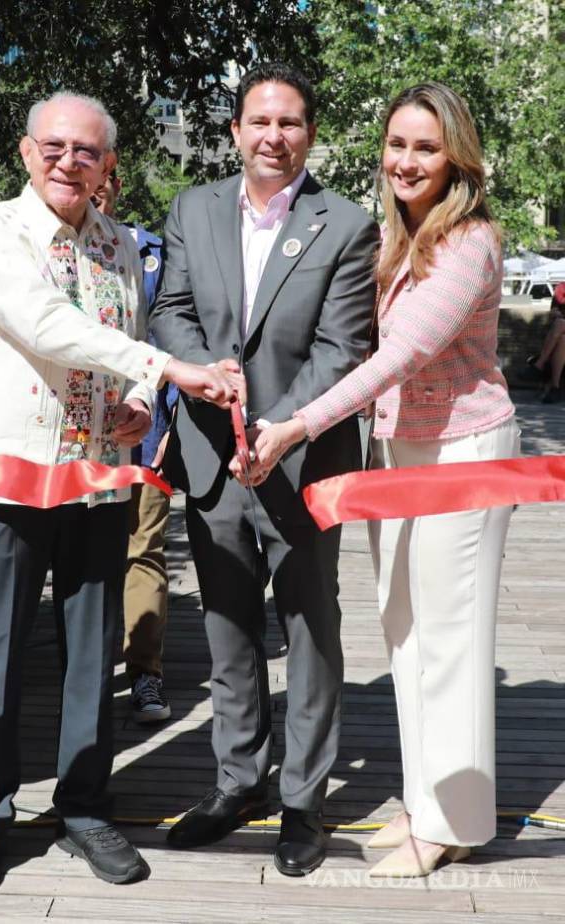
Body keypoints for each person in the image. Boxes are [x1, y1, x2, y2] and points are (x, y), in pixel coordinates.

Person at [0, 91, 240, 905]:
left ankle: (83, 808)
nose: (68, 162)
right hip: (7, 474)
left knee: (90, 657)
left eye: (86, 151)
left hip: (97, 480)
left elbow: (118, 348)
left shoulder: (116, 243)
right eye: (54, 147)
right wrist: (164, 369)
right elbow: (42, 323)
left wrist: (139, 399)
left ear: (108, 163)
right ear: (24, 150)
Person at [245, 83, 518, 879]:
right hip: (399, 455)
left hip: (465, 458)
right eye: (397, 144)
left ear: (456, 157)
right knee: (404, 628)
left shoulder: (469, 243)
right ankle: (424, 800)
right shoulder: (398, 239)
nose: (406, 160)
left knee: (452, 641)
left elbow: (395, 358)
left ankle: (454, 822)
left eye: (425, 147)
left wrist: (296, 424)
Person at [150, 63, 379, 877]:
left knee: (312, 635)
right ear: (236, 130)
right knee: (227, 630)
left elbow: (345, 348)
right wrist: (203, 372)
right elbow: (169, 310)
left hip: (306, 461)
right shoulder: (193, 208)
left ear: (309, 134)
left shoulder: (346, 224)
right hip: (214, 455)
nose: (272, 138)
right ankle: (237, 781)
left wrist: (280, 429)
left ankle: (302, 801)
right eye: (258, 122)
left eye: (288, 124)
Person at [92, 169, 176, 725]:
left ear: (117, 183)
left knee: (142, 551)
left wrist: (171, 421)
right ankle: (87, 680)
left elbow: (173, 336)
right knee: (83, 561)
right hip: (69, 441)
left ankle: (144, 672)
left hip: (145, 435)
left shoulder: (151, 255)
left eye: (100, 173)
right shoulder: (26, 250)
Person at [518, 281, 565, 403]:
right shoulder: (562, 289)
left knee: (560, 324)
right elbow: (553, 311)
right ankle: (555, 387)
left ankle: (539, 364)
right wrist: (556, 313)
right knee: (562, 340)